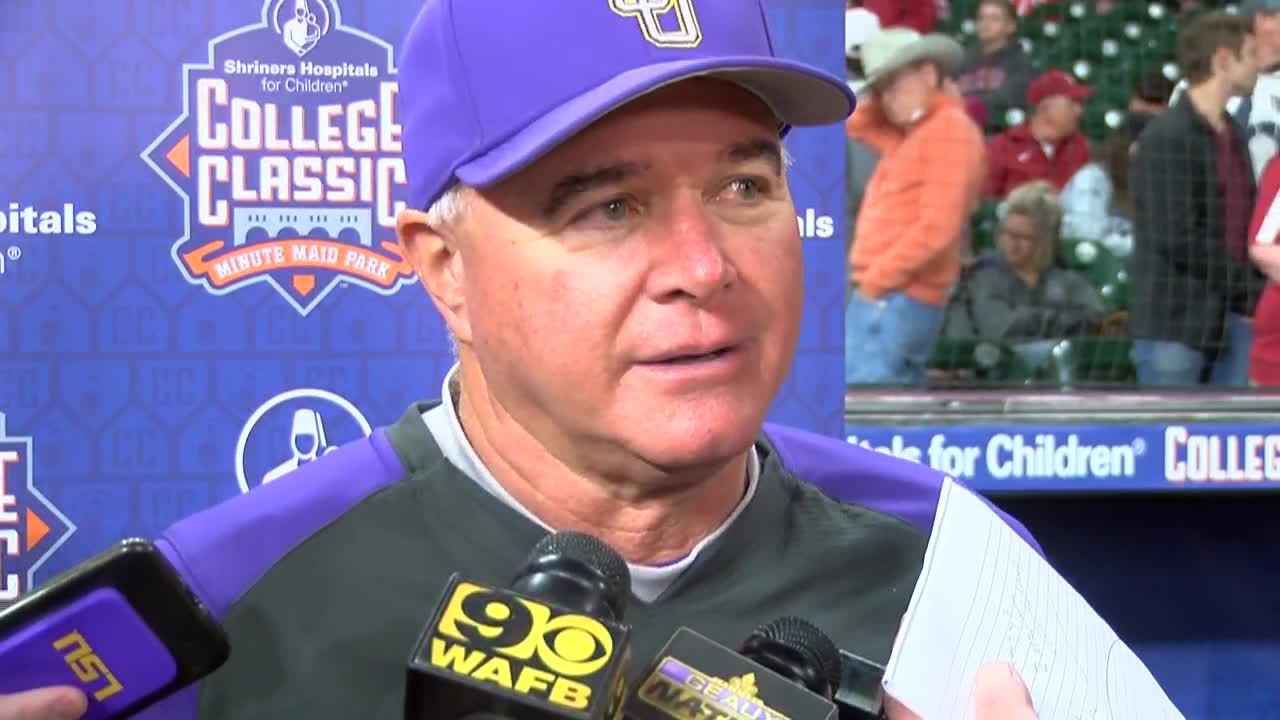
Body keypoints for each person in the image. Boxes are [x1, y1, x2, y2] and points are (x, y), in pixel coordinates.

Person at [2, 1, 1049, 718]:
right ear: (445, 269)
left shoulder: (960, 569)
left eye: (744, 187)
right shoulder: (223, 608)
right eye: (609, 207)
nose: (703, 266)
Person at [844, 28, 986, 386]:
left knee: (870, 401)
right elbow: (853, 123)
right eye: (881, 88)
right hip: (892, 296)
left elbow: (938, 227)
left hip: (896, 297)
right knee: (881, 399)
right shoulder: (915, 131)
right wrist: (885, 92)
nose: (887, 98)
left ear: (927, 73)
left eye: (894, 83)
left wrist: (875, 283)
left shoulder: (948, 130)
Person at [1131, 10, 1262, 387]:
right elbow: (1177, 237)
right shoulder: (1166, 136)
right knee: (1172, 423)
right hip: (1176, 322)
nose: (1258, 65)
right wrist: (1249, 288)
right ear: (1223, 59)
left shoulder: (1233, 133)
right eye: (1250, 54)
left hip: (1232, 318)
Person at [944, 181, 1106, 372]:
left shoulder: (1064, 280)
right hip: (988, 376)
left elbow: (1095, 319)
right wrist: (1060, 322)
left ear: (1045, 241)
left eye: (1022, 238)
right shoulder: (983, 277)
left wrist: (1031, 319)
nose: (1011, 244)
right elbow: (1002, 328)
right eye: (1006, 234)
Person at [984, 70, 1094, 199]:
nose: (1079, 111)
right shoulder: (1004, 147)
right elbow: (986, 200)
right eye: (1072, 103)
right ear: (1045, 107)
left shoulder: (1078, 147)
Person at [954, 0, 1035, 119]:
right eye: (981, 18)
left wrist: (966, 102)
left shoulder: (1020, 62)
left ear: (1010, 26)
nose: (985, 24)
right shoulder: (963, 59)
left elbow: (1010, 97)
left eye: (994, 19)